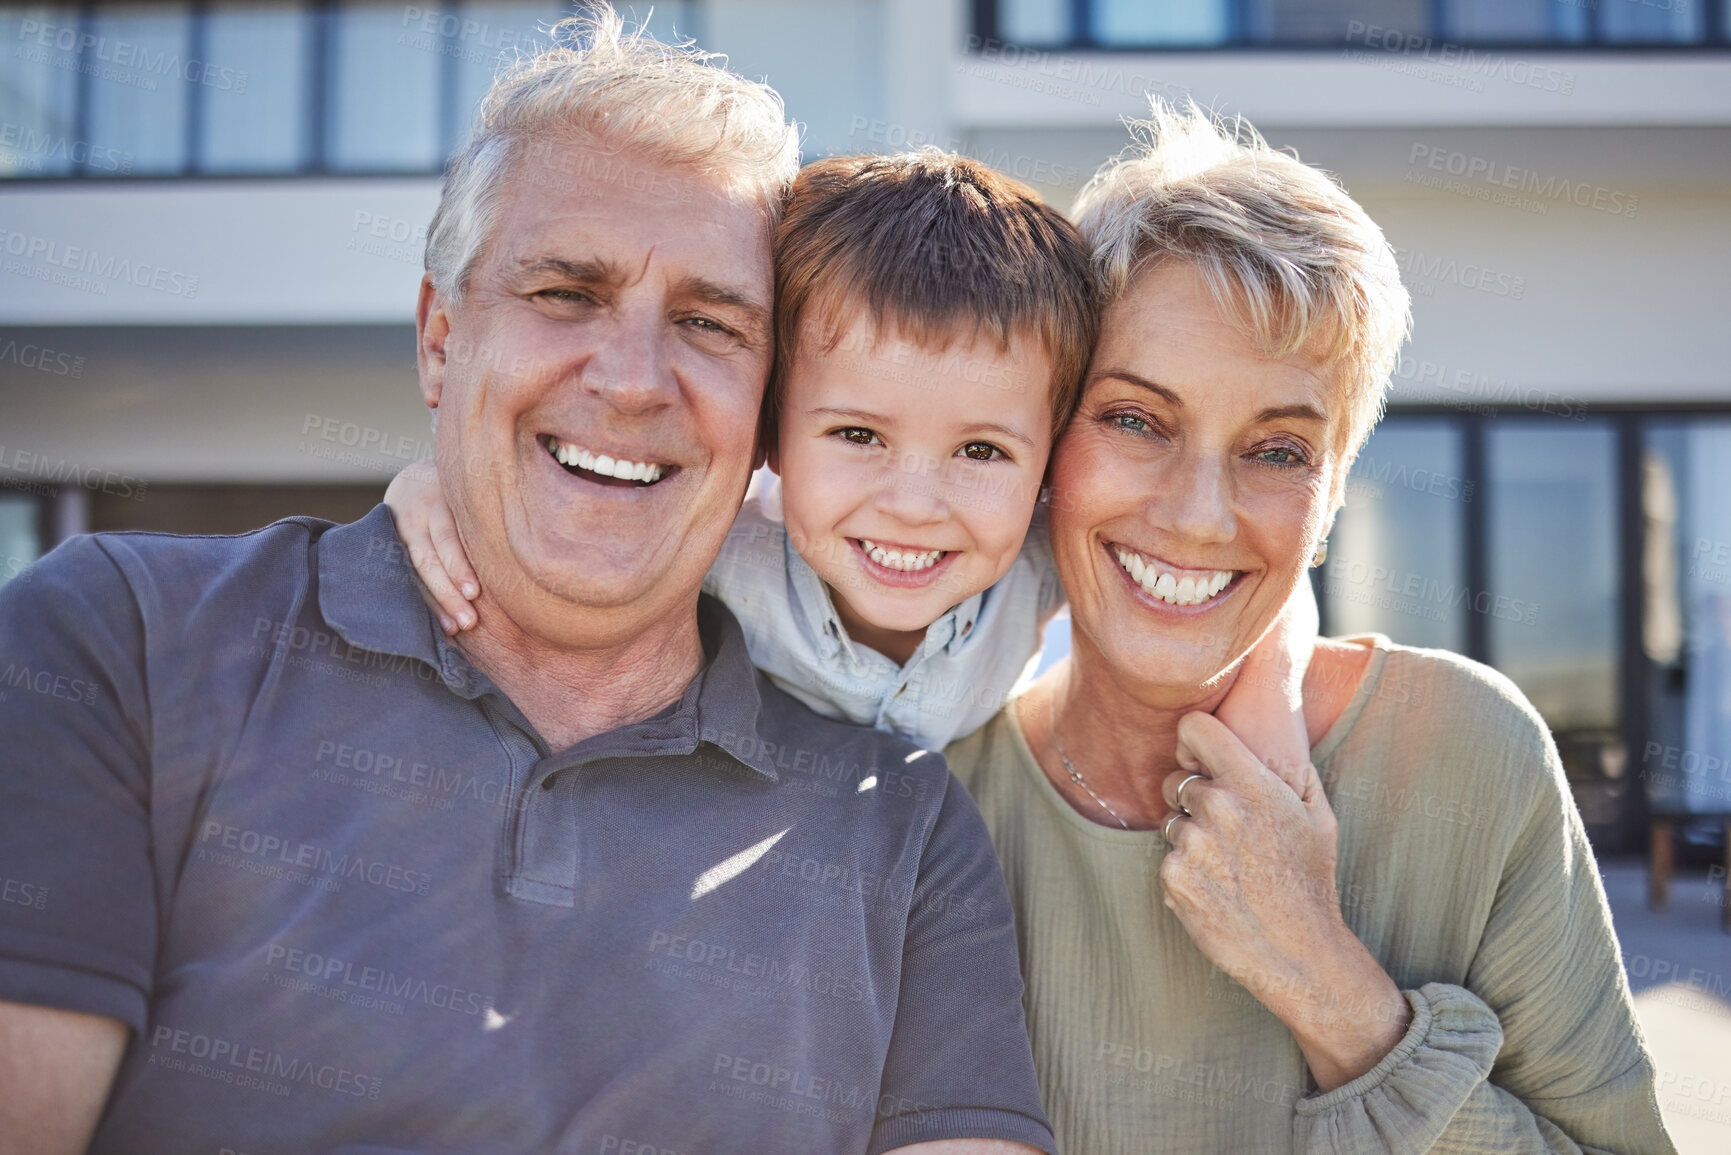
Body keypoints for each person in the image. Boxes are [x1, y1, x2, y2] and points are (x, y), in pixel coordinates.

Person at [0, 13, 1056, 1155]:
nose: (636, 379)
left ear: (766, 418)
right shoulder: (120, 641)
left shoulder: (902, 825)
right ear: (441, 339)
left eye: (708, 322)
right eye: (565, 294)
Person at [943, 101, 1676, 1153]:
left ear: (1332, 502)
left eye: (1278, 450)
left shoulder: (1468, 752)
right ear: (1050, 441)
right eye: (1137, 420)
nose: (1199, 514)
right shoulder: (937, 798)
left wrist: (1329, 985)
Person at [390, 148, 1316, 768]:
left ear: (1047, 466)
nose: (914, 504)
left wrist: (1267, 700)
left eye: (982, 450)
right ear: (769, 435)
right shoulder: (718, 550)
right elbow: (574, 496)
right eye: (858, 436)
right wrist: (432, 486)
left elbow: (1226, 571)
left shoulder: (1040, 559)